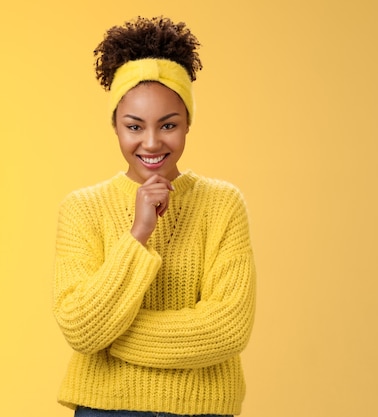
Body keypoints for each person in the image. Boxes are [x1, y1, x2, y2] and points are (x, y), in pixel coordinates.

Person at [52, 16, 256, 417]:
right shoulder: (83, 207)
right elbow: (78, 326)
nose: (151, 142)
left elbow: (227, 328)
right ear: (115, 126)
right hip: (105, 409)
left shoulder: (223, 204)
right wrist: (139, 232)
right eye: (134, 126)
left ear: (187, 124)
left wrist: (111, 335)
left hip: (203, 409)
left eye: (168, 125)